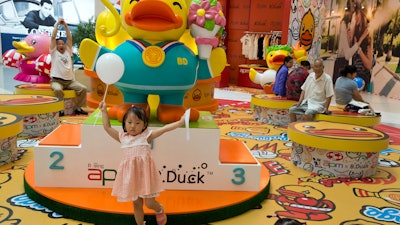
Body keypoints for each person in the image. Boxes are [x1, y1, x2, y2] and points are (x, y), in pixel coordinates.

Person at [99, 101, 185, 225]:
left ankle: (159, 209)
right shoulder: (123, 137)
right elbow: (107, 127)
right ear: (124, 124)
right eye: (129, 123)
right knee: (136, 204)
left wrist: (180, 122)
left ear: (144, 125)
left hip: (145, 176)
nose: (133, 126)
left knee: (149, 203)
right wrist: (104, 111)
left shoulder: (146, 137)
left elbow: (164, 129)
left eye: (137, 123)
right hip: (131, 177)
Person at [50, 18, 88, 115]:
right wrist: (58, 24)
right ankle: (60, 109)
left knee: (83, 88)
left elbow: (69, 38)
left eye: (63, 43)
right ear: (56, 46)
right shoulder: (54, 52)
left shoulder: (68, 51)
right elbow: (53, 37)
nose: (61, 45)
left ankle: (78, 108)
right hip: (57, 81)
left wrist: (66, 26)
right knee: (58, 89)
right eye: (59, 44)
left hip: (70, 81)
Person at [332, 0, 369, 84]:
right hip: (341, 65)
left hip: (347, 65)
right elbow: (347, 55)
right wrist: (360, 40)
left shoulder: (351, 29)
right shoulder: (344, 25)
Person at [351, 0, 374, 91]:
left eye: (357, 14)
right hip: (353, 75)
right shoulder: (354, 35)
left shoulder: (368, 38)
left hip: (363, 77)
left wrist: (359, 49)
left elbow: (368, 66)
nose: (355, 17)